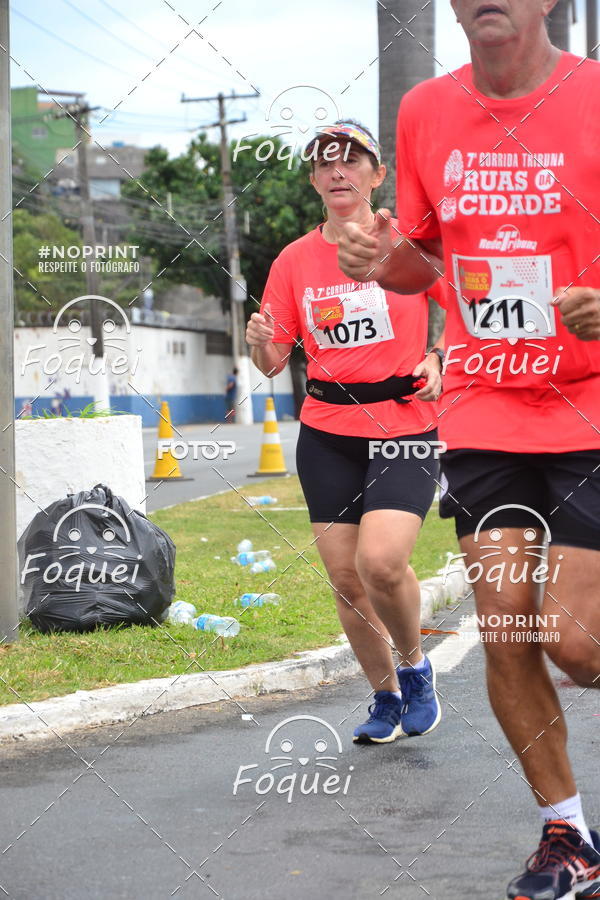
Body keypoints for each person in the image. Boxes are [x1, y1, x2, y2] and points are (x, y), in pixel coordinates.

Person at [338, 3, 600, 898]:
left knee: (578, 644)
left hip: (591, 403)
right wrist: (380, 257)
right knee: (509, 631)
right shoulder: (425, 111)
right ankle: (565, 834)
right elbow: (424, 257)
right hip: (487, 405)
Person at [246, 120, 446, 745]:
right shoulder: (294, 260)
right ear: (312, 179)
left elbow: (465, 302)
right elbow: (274, 359)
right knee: (347, 579)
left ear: (376, 174)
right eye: (325, 162)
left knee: (382, 562)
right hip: (327, 428)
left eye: (352, 160)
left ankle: (416, 670)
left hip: (405, 423)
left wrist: (441, 354)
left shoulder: (403, 242)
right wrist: (259, 346)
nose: (338, 170)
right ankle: (385, 697)